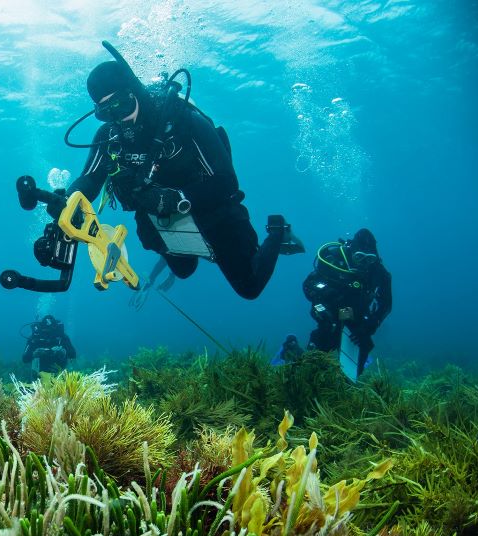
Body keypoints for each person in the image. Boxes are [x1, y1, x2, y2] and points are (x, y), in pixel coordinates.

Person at [56, 42, 304, 300]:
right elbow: (90, 180)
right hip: (162, 220)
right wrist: (65, 202)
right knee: (184, 271)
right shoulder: (109, 136)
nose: (118, 118)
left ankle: (278, 230)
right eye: (107, 112)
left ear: (134, 92)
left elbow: (227, 181)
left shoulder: (182, 120)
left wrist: (176, 198)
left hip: (213, 212)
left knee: (249, 288)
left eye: (122, 106)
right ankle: (185, 247)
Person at [302, 228, 392, 376]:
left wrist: (370, 326)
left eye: (369, 259)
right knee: (322, 344)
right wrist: (325, 293)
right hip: (329, 314)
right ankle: (309, 372)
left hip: (357, 319)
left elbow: (386, 304)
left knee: (359, 351)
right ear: (351, 251)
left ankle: (347, 380)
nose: (364, 263)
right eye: (359, 257)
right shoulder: (334, 259)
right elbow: (308, 284)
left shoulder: (378, 272)